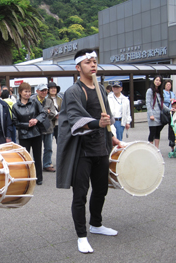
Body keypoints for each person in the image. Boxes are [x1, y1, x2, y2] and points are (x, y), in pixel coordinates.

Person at [56, 49, 121, 254]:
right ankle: (82, 235)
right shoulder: (73, 92)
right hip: (82, 151)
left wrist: (114, 138)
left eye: (94, 61)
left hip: (101, 148)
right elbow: (74, 119)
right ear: (78, 68)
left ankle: (96, 224)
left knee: (101, 189)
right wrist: (97, 123)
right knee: (80, 195)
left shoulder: (101, 89)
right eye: (87, 62)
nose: (93, 65)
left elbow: (107, 118)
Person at [12, 82, 46, 185]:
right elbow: (15, 122)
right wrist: (27, 125)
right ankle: (26, 178)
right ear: (20, 92)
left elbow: (43, 113)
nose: (28, 93)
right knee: (25, 158)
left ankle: (39, 178)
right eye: (25, 91)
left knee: (37, 156)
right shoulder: (15, 106)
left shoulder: (35, 102)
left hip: (36, 133)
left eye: (29, 91)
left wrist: (36, 120)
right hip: (23, 135)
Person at [32, 84, 57, 172]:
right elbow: (33, 113)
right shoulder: (33, 100)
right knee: (37, 149)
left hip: (48, 127)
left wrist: (42, 113)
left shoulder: (49, 101)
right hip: (37, 128)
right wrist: (46, 111)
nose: (44, 92)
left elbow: (53, 113)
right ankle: (37, 165)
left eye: (45, 90)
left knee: (49, 148)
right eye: (42, 90)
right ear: (37, 91)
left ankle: (47, 164)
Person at [146, 75, 170, 148]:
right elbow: (148, 103)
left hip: (159, 115)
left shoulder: (159, 92)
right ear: (153, 80)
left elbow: (161, 104)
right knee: (152, 133)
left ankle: (157, 149)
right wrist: (151, 115)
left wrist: (170, 110)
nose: (158, 82)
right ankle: (150, 149)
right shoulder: (150, 91)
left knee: (158, 133)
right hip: (153, 116)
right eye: (156, 80)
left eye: (159, 81)